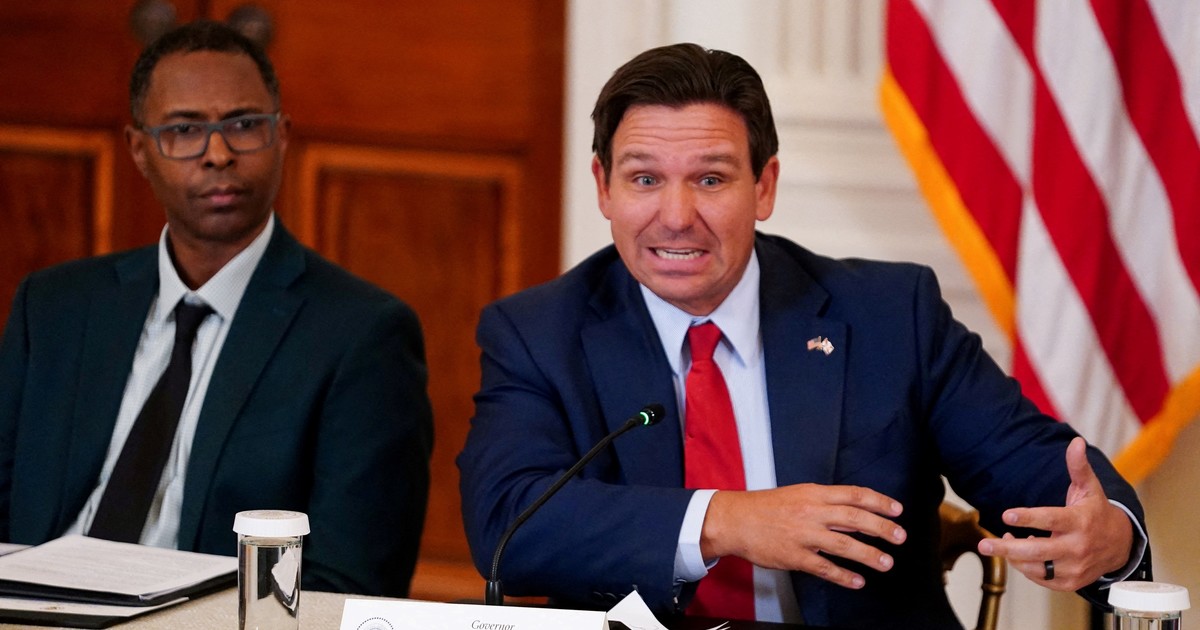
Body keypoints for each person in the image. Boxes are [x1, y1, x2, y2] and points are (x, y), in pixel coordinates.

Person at [458, 43, 1149, 628]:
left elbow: (1039, 472)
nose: (676, 215)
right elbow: (508, 526)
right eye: (645, 179)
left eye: (710, 179)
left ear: (764, 187)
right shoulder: (538, 333)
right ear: (604, 187)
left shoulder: (890, 316)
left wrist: (1111, 534)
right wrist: (728, 521)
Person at [0, 21, 433, 598]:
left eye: (244, 125)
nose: (219, 154)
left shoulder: (361, 334)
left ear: (282, 136)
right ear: (139, 150)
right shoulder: (55, 307)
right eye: (184, 130)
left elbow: (351, 582)